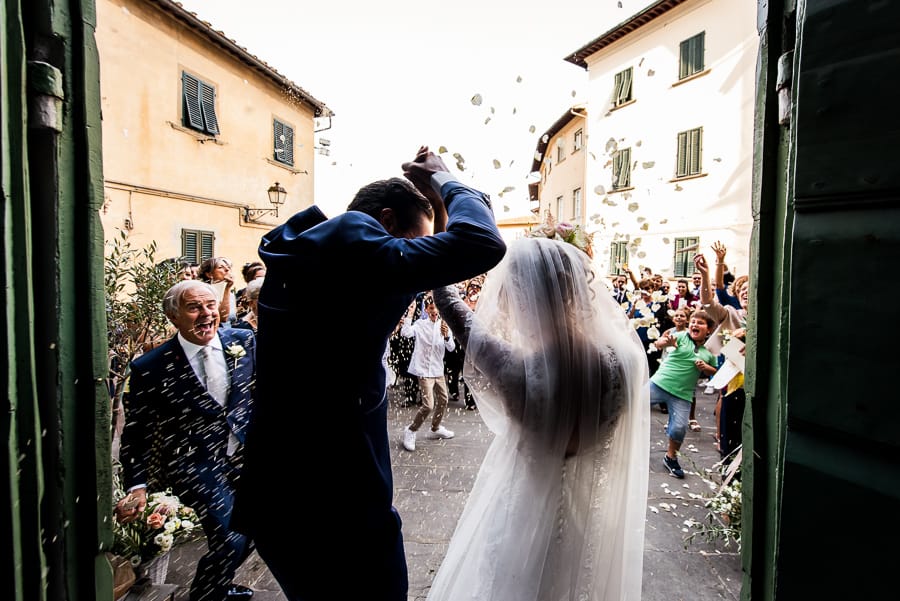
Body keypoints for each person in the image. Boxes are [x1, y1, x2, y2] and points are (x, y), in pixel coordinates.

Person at [230, 147, 507, 601]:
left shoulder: (316, 256)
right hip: (337, 498)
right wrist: (445, 179)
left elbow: (438, 261)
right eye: (410, 242)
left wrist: (434, 209)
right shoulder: (353, 243)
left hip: (284, 493)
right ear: (388, 223)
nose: (411, 258)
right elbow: (481, 244)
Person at [429, 230, 650, 601]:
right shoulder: (625, 361)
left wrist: (441, 229)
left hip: (520, 523)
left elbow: (451, 306)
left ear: (523, 298)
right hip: (589, 525)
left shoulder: (516, 371)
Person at [115, 280, 256, 601]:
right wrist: (136, 484)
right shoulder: (150, 367)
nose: (206, 314)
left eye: (210, 306)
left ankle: (215, 586)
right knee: (230, 534)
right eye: (194, 307)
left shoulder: (244, 342)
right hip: (196, 465)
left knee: (253, 531)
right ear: (174, 317)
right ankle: (207, 596)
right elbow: (137, 430)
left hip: (246, 456)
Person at [649, 305, 719, 479]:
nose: (694, 325)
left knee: (679, 428)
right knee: (632, 404)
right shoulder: (681, 336)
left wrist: (706, 367)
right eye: (693, 322)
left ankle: (670, 457)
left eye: (700, 323)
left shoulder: (708, 352)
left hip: (683, 395)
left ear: (708, 329)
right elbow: (658, 344)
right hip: (659, 384)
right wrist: (666, 342)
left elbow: (715, 372)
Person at [400, 295, 456, 451]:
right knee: (428, 405)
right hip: (424, 370)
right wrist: (409, 315)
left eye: (437, 309)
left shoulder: (444, 325)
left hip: (438, 370)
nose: (435, 312)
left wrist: (446, 336)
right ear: (426, 310)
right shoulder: (420, 324)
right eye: (431, 309)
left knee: (444, 400)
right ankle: (411, 430)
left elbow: (451, 348)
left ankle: (435, 428)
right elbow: (405, 333)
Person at [198, 256, 237, 327]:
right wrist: (227, 288)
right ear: (209, 274)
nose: (227, 269)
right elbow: (223, 318)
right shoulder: (205, 293)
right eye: (220, 267)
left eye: (228, 267)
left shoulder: (230, 294)